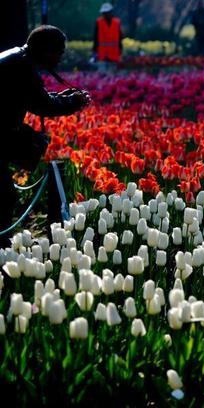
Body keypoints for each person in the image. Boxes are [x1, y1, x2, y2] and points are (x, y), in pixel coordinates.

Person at [0, 25, 90, 246]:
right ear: (45, 50)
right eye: (59, 52)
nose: (60, 58)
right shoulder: (21, 65)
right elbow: (43, 105)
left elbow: (35, 96)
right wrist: (74, 102)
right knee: (4, 197)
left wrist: (64, 96)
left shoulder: (18, 57)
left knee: (5, 195)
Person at [92, 3, 123, 69]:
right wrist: (94, 51)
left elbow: (120, 38)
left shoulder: (117, 22)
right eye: (104, 13)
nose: (105, 14)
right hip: (102, 54)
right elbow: (96, 37)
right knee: (102, 74)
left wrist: (120, 51)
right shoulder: (99, 22)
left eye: (107, 12)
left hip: (114, 54)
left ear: (111, 12)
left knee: (113, 76)